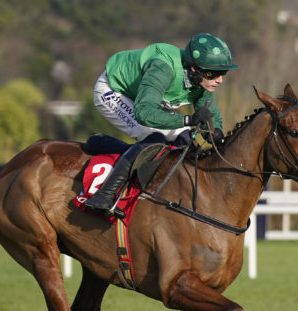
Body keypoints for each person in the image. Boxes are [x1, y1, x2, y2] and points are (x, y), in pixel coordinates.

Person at [86, 33, 237, 218]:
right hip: (113, 90)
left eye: (223, 73)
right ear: (193, 69)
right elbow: (144, 113)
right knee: (154, 138)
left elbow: (207, 108)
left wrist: (215, 131)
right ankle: (105, 195)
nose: (219, 79)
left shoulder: (201, 80)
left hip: (145, 98)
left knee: (184, 139)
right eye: (212, 74)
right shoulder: (162, 69)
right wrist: (187, 120)